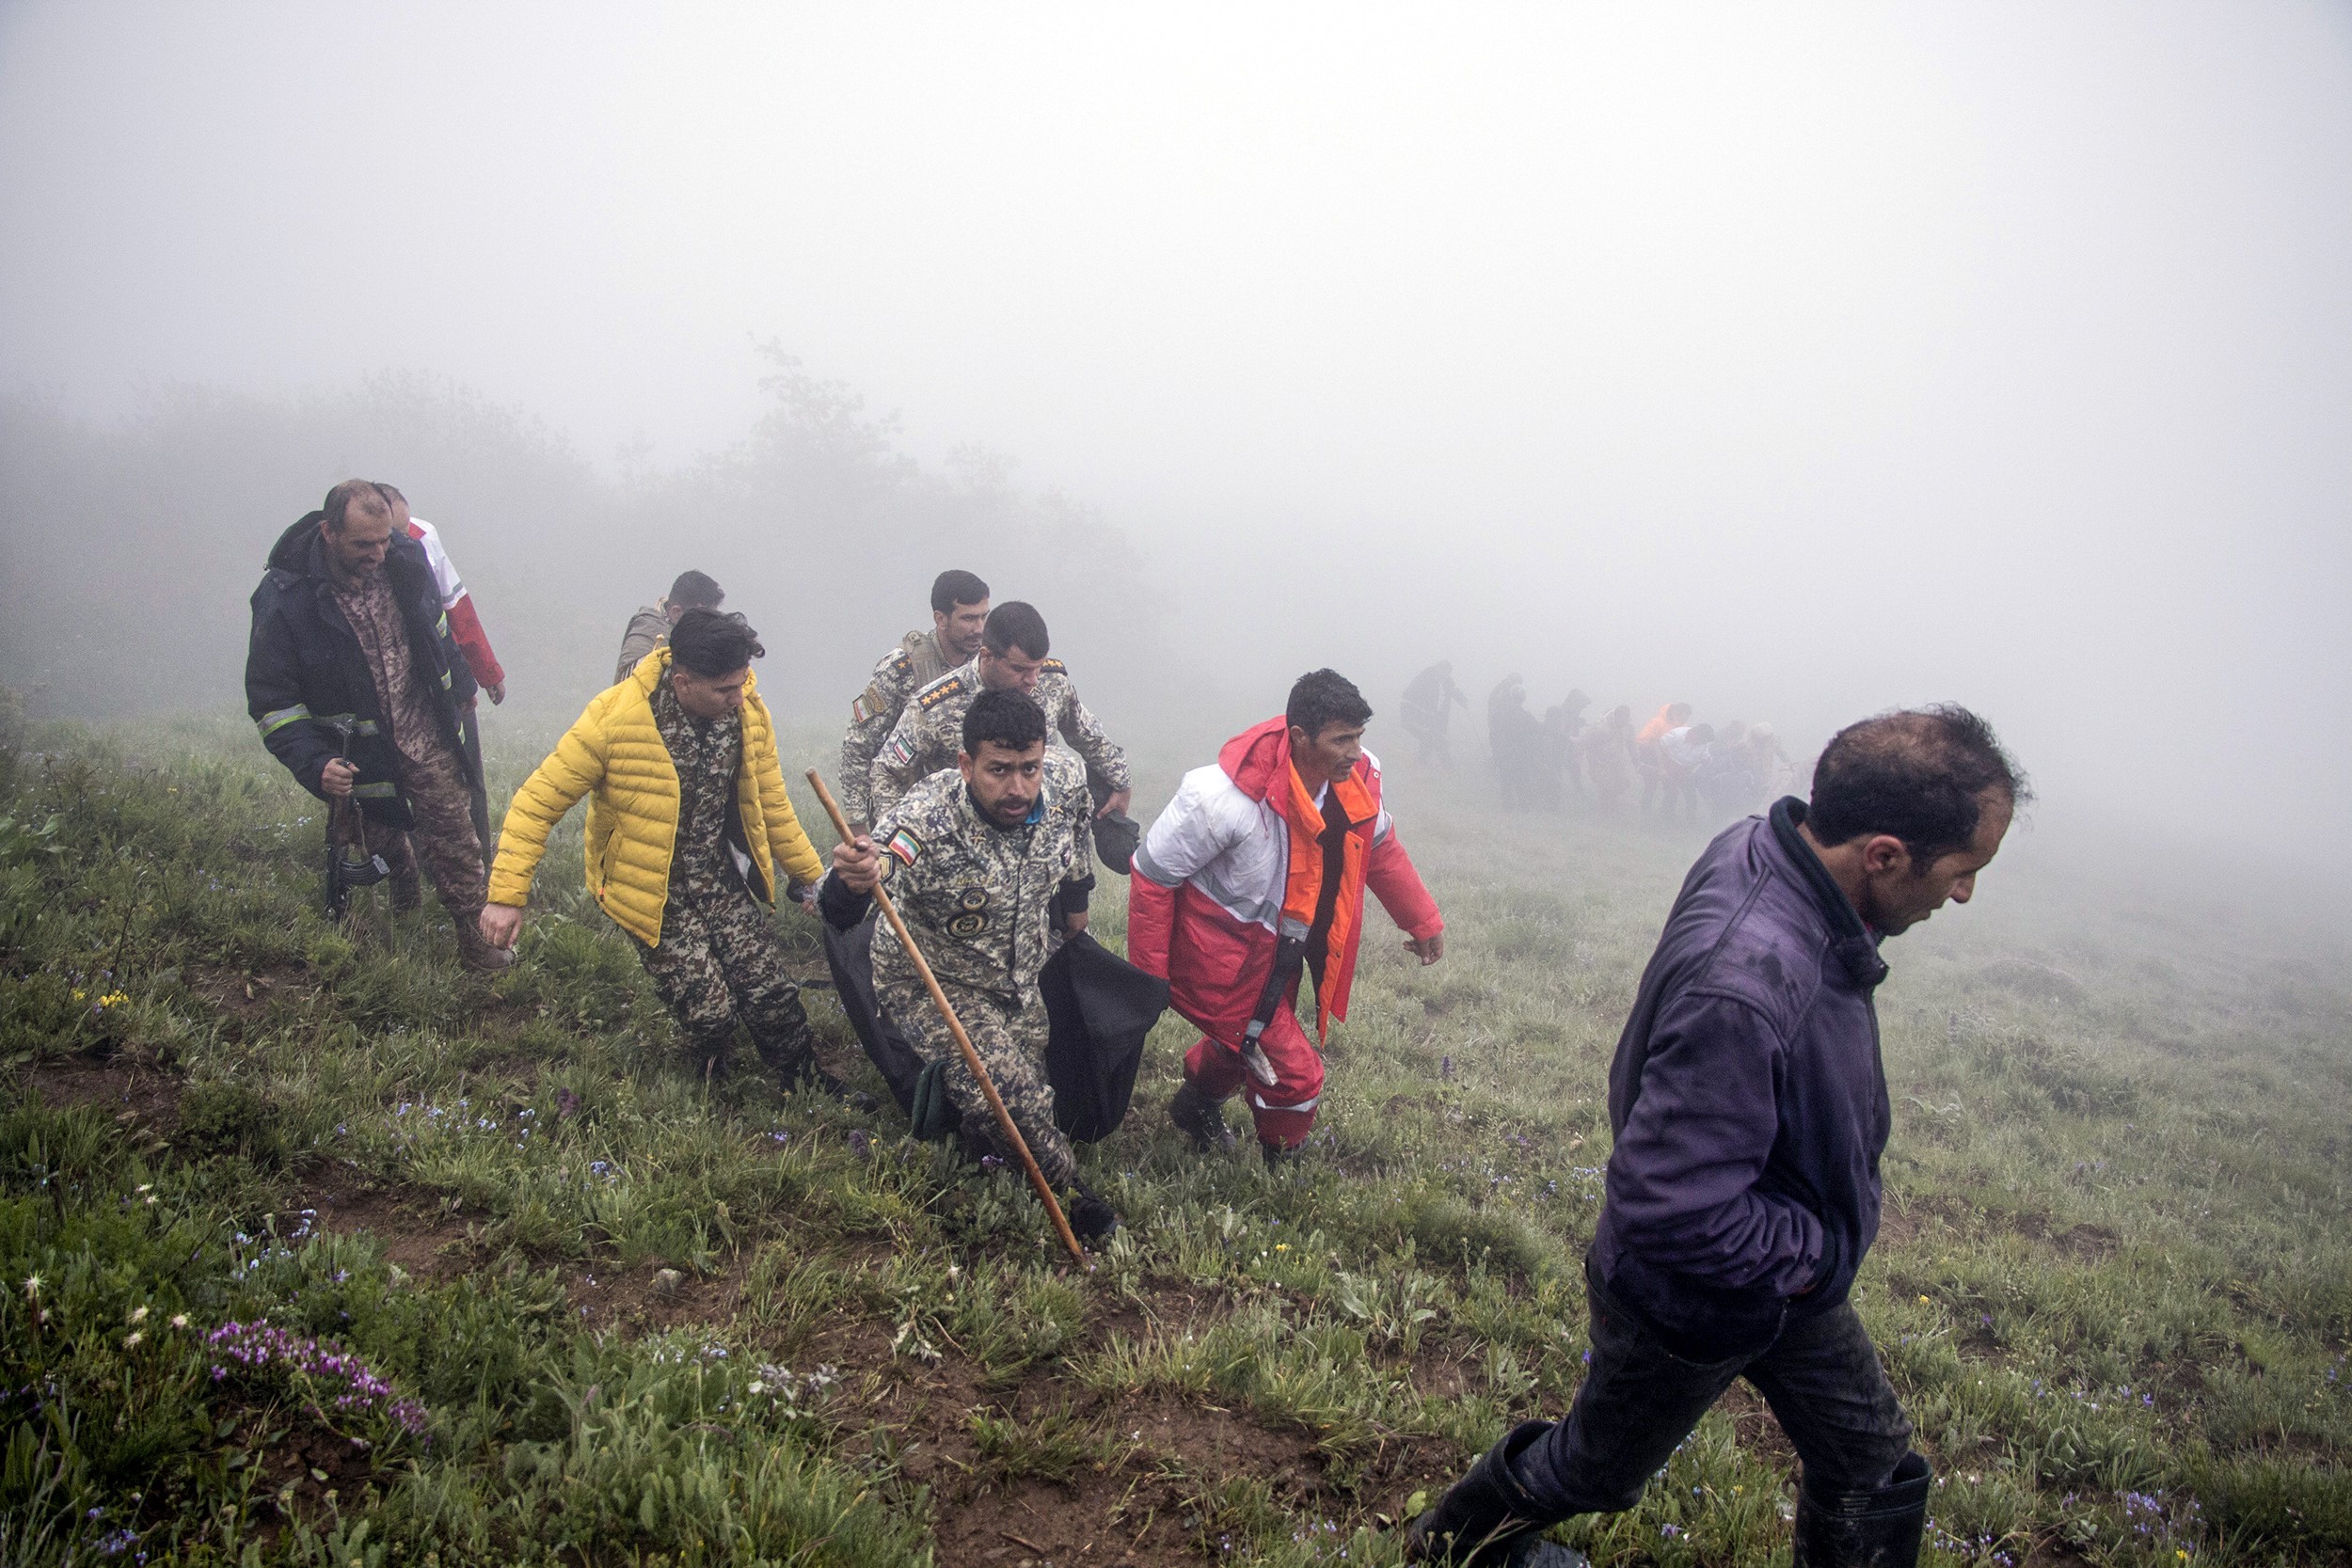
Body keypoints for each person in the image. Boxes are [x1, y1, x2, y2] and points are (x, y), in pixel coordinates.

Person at [1405, 705, 2028, 1567]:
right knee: (1595, 1470)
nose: (1962, 893)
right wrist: (1814, 1254)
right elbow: (1672, 1208)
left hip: (1782, 1272)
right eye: (1962, 871)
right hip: (1692, 1298)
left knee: (1872, 1466)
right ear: (1883, 854)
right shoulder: (1748, 984)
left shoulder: (1768, 850)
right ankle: (1453, 1547)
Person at [482, 610, 835, 1088]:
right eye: (725, 690)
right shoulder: (614, 718)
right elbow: (536, 802)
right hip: (649, 887)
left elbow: (771, 803)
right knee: (710, 1010)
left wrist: (810, 879)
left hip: (718, 878)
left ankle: (805, 1082)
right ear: (684, 681)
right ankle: (711, 1086)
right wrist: (506, 894)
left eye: (743, 683)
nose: (740, 698)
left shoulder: (748, 713)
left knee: (770, 989)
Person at [823, 689, 1118, 1240]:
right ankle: (1074, 1200)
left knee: (1025, 1096)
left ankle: (976, 1152)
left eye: (1029, 768)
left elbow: (1075, 855)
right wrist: (852, 877)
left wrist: (1076, 920)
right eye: (999, 770)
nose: (1017, 788)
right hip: (934, 980)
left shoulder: (1064, 782)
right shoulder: (924, 819)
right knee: (1017, 1102)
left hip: (1018, 977)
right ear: (965, 764)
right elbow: (855, 889)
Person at [1129, 670, 1444, 1164]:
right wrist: (1146, 980)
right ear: (1299, 737)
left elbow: (1378, 847)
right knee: (1296, 1072)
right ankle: (1285, 1159)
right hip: (1219, 958)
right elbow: (1152, 877)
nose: (1356, 752)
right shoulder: (1219, 798)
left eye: (1359, 737)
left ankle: (1196, 1106)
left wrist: (1422, 920)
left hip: (1278, 954)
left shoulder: (1355, 777)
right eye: (1342, 740)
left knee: (1243, 1040)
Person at [247, 480, 506, 970]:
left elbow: (438, 631)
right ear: (329, 533)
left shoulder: (406, 562)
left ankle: (477, 941)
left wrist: (461, 686)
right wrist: (315, 762)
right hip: (354, 753)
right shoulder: (287, 598)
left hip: (422, 733)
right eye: (364, 544)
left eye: (385, 540)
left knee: (456, 835)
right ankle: (403, 888)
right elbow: (271, 699)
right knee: (381, 839)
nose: (378, 554)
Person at [867, 601, 1132, 826]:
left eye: (1037, 668)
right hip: (964, 843)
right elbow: (888, 772)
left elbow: (1086, 734)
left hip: (1040, 836)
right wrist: (898, 841)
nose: (1033, 680)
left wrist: (1120, 782)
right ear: (987, 656)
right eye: (1020, 670)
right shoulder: (936, 707)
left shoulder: (1052, 683)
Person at [375, 483, 507, 849]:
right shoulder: (360, 549)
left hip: (444, 673)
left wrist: (486, 673)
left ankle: (480, 861)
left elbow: (455, 608)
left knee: (467, 771)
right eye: (392, 534)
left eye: (403, 531)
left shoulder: (424, 535)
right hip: (393, 685)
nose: (399, 542)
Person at [837, 569, 991, 832]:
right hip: (906, 812)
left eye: (983, 617)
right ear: (940, 619)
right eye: (968, 619)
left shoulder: (986, 664)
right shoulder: (901, 669)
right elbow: (858, 747)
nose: (979, 629)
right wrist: (857, 824)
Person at [616, 570, 726, 685]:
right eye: (704, 616)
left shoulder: (691, 637)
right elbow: (631, 693)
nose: (711, 624)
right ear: (676, 612)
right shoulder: (645, 639)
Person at [1399, 661, 1470, 766]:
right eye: (1443, 672)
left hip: (1437, 719)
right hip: (1420, 717)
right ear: (1437, 669)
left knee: (1432, 739)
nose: (1445, 676)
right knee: (1433, 739)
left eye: (1447, 673)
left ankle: (1422, 764)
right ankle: (1446, 766)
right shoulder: (1424, 679)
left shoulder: (1447, 682)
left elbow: (1453, 691)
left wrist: (1462, 700)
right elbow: (1408, 696)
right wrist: (1408, 715)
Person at [1635, 702, 1692, 816]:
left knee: (1672, 790)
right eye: (1683, 715)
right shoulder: (1657, 722)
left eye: (1687, 716)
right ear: (1676, 712)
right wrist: (1657, 747)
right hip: (1651, 759)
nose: (1685, 719)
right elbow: (1642, 740)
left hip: (1670, 762)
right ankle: (1645, 815)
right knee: (1650, 788)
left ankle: (1666, 817)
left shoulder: (1683, 727)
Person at [1580, 706, 1637, 811]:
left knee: (1622, 783)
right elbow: (1589, 745)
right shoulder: (1603, 728)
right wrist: (1592, 764)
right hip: (1601, 762)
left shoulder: (1628, 728)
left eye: (1627, 718)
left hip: (1618, 761)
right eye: (1623, 718)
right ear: (1617, 717)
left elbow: (1631, 744)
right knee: (1605, 787)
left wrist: (1636, 760)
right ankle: (1605, 813)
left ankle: (1613, 805)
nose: (1625, 721)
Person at [1657, 721, 1716, 822]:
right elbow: (1659, 746)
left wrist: (1708, 760)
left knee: (1691, 797)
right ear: (1694, 733)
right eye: (1701, 740)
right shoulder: (1677, 734)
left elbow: (1705, 757)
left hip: (1686, 771)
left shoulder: (1703, 744)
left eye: (1704, 742)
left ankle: (1690, 823)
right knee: (1671, 793)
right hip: (1668, 765)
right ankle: (1666, 820)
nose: (1702, 743)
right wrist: (1662, 768)